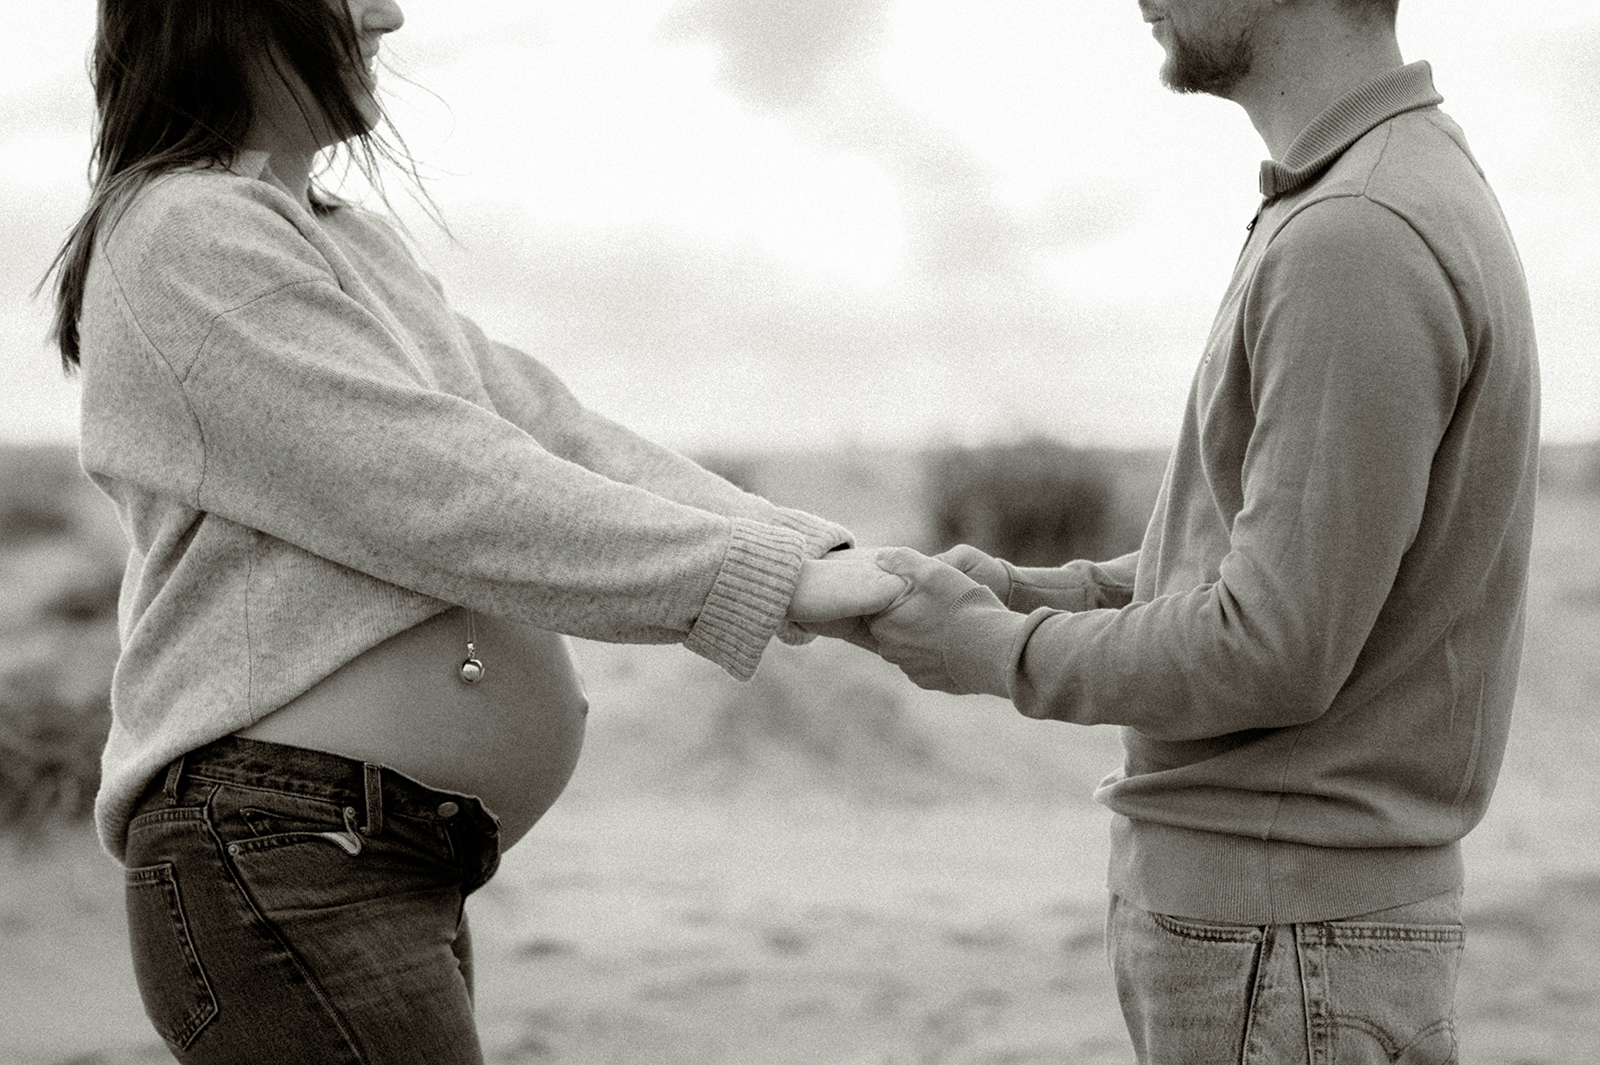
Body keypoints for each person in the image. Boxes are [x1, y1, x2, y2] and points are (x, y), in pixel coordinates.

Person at [46, 1, 901, 1061]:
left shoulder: (348, 241)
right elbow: (435, 487)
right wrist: (762, 578)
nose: (388, 13)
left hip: (365, 855)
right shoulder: (182, 231)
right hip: (285, 856)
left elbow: (549, 434)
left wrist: (818, 555)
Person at [835, 1, 1540, 1062]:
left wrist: (988, 650)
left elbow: (1273, 649)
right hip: (1288, 935)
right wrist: (1046, 593)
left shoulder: (1358, 230)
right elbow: (1288, 572)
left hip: (1284, 936)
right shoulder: (1365, 194)